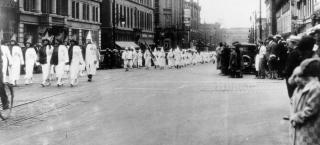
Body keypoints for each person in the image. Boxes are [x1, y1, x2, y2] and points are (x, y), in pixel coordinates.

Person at [288, 58, 320, 145]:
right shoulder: (299, 88)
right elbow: (293, 103)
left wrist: (295, 118)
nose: (297, 79)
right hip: (297, 130)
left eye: (300, 76)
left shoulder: (315, 88)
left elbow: (310, 109)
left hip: (309, 131)